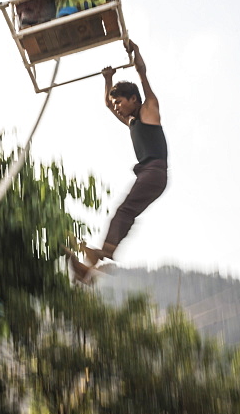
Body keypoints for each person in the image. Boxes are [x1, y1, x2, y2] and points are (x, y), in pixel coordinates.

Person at [66, 41, 167, 284]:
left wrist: (137, 53)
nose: (118, 108)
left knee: (123, 212)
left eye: (120, 102)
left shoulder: (148, 110)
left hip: (154, 171)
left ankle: (103, 253)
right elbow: (107, 105)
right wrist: (107, 80)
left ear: (134, 99)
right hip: (148, 174)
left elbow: (143, 75)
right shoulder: (132, 122)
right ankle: (90, 269)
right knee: (126, 213)